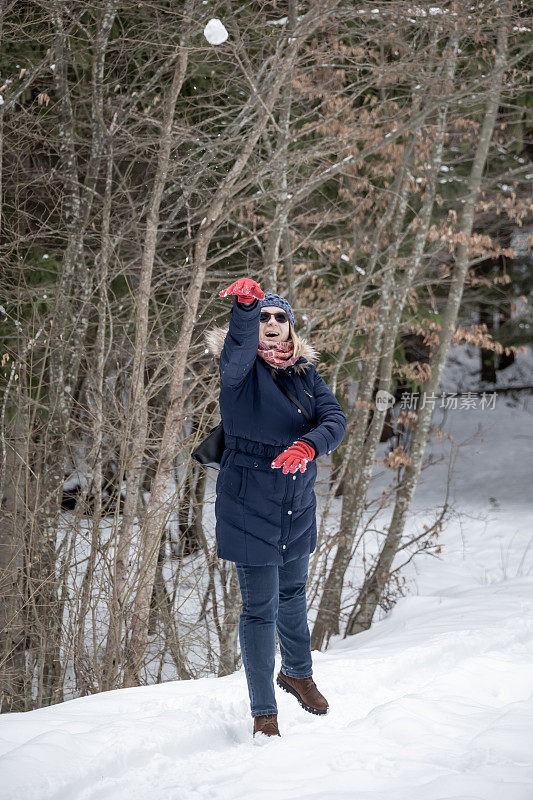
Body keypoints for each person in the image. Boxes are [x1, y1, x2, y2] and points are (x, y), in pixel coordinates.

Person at [205, 277, 347, 738]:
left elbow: (335, 419)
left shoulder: (306, 373)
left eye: (278, 317)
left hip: (296, 497)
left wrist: (309, 446)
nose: (270, 323)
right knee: (259, 609)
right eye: (264, 316)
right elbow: (240, 346)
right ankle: (264, 711)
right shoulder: (239, 369)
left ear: (290, 329)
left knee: (293, 593)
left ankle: (298, 674)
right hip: (248, 497)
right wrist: (245, 309)